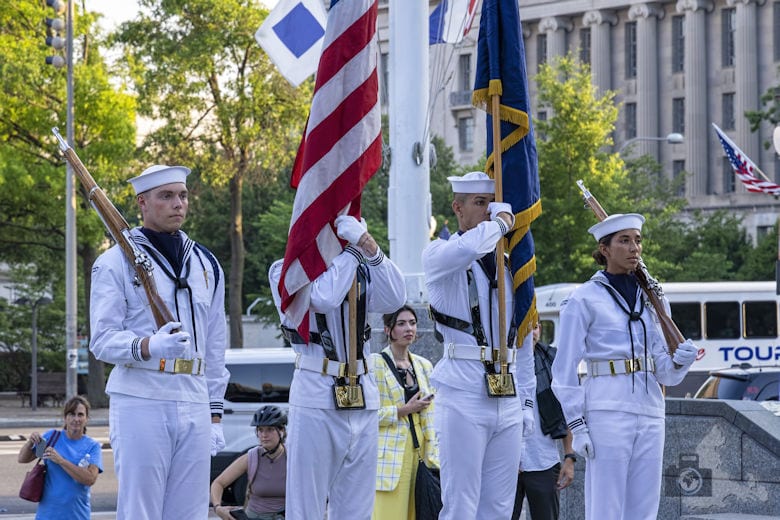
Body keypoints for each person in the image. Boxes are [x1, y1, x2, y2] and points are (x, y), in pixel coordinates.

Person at [89, 164, 230, 519]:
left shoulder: (206, 263)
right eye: (166, 196)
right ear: (142, 203)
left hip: (194, 396)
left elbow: (215, 344)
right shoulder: (115, 262)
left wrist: (215, 413)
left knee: (190, 511)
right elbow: (102, 340)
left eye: (182, 195)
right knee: (142, 509)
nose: (178, 204)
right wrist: (148, 345)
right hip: (142, 396)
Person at [551, 213, 698, 520]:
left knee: (645, 507)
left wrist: (681, 363)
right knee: (606, 505)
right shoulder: (584, 299)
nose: (635, 248)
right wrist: (578, 427)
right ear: (604, 249)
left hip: (649, 409)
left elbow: (663, 371)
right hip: (607, 409)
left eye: (638, 240)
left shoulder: (653, 298)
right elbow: (563, 372)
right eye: (625, 240)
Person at [269, 215, 406, 520]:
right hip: (317, 393)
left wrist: (368, 246)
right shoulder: (285, 269)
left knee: (357, 508)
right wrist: (353, 253)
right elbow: (323, 297)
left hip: (362, 394)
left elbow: (397, 296)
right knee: (308, 505)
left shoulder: (358, 270)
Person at [422, 171, 536, 519]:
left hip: (507, 392)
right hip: (464, 391)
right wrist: (502, 223)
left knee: (500, 508)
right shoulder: (440, 254)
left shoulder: (510, 265)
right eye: (480, 203)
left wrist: (527, 401)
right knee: (461, 503)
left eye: (492, 203)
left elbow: (524, 339)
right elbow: (470, 246)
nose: (489, 211)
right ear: (458, 208)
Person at [371, 305, 439, 520]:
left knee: (419, 512)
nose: (408, 328)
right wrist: (403, 410)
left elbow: (434, 413)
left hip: (421, 449)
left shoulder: (424, 365)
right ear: (387, 330)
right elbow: (367, 415)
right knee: (388, 514)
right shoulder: (374, 364)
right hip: (389, 453)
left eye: (412, 323)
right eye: (401, 324)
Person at [512, 322, 575, 520]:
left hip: (543, 461)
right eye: (526, 326)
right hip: (505, 461)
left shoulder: (552, 362)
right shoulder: (501, 364)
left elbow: (567, 411)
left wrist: (569, 457)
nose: (532, 331)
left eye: (536, 326)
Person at [17, 395, 103, 519]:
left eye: (80, 415)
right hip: (48, 515)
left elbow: (90, 479)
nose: (76, 419)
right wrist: (30, 442)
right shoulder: (52, 437)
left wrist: (61, 461)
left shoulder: (92, 446)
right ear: (65, 418)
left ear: (86, 419)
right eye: (71, 414)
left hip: (77, 515)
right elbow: (23, 459)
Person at [211, 405, 287, 520]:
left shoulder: (291, 457)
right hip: (255, 517)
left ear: (281, 431)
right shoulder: (252, 457)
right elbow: (218, 483)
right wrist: (218, 508)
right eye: (260, 430)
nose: (264, 435)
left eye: (270, 429)